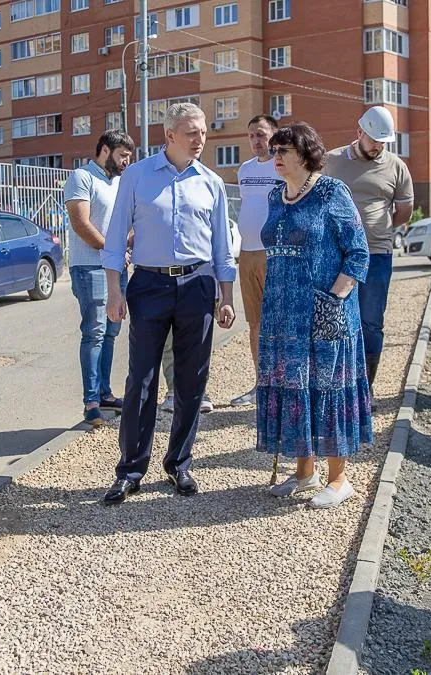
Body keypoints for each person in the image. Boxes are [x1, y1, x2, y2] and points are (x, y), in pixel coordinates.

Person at [100, 102, 237, 505]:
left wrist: (226, 297)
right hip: (148, 285)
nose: (201, 139)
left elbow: (222, 248)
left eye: (204, 131)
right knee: (140, 380)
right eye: (192, 132)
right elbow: (113, 240)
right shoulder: (138, 177)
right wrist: (114, 290)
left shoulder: (211, 183)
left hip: (197, 285)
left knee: (192, 382)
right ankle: (131, 469)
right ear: (170, 136)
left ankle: (179, 463)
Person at [257, 122, 372, 509]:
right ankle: (304, 472)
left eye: (282, 151)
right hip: (282, 314)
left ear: (305, 154)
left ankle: (339, 479)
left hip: (324, 313)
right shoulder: (276, 196)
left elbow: (358, 252)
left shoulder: (331, 192)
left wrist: (334, 300)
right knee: (295, 390)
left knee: (327, 389)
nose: (275, 157)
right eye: (274, 151)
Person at [324, 106, 414, 409]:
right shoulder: (332, 161)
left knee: (371, 322)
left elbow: (404, 211)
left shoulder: (396, 166)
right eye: (373, 139)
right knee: (334, 320)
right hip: (336, 255)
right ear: (359, 131)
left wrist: (379, 229)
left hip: (376, 254)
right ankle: (336, 388)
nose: (377, 146)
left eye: (383, 142)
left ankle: (364, 390)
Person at [64, 131, 136, 426]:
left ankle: (105, 393)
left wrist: (129, 243)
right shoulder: (82, 177)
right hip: (89, 266)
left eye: (129, 158)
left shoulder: (120, 181)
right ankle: (91, 402)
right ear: (105, 150)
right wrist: (113, 248)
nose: (125, 162)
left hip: (116, 267)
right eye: (122, 156)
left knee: (111, 331)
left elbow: (126, 224)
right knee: (94, 332)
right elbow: (81, 223)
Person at [227, 114, 284, 408]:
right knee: (255, 325)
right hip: (246, 255)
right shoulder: (244, 170)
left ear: (274, 135)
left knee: (280, 323)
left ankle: (284, 386)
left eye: (261, 134)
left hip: (275, 255)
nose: (256, 141)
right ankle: (261, 384)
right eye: (251, 136)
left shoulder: (283, 167)